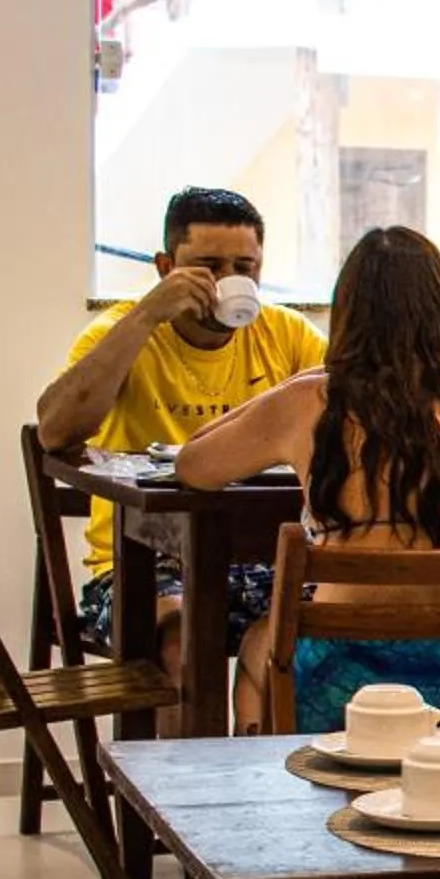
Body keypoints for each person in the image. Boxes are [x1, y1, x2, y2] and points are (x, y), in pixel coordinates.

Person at [177, 227, 440, 739]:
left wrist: (290, 386)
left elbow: (193, 463)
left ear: (346, 314)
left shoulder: (312, 403)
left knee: (260, 640)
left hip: (349, 685)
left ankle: (263, 784)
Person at [36, 187, 327, 678]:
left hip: (263, 554)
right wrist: (147, 314)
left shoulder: (288, 335)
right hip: (140, 562)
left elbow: (357, 414)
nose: (226, 281)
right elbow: (54, 432)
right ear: (166, 267)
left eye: (244, 267)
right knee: (181, 639)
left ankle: (272, 733)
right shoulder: (121, 334)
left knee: (342, 615)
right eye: (208, 267)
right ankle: (175, 735)